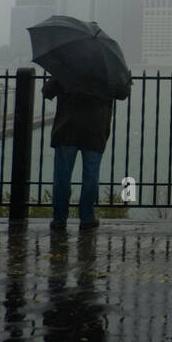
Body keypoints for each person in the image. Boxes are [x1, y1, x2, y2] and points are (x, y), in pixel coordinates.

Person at [44, 76, 114, 231]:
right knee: (91, 175)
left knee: (62, 176)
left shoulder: (67, 67)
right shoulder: (105, 70)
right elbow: (122, 92)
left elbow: (47, 92)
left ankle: (59, 219)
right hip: (95, 129)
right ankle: (87, 217)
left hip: (67, 128)